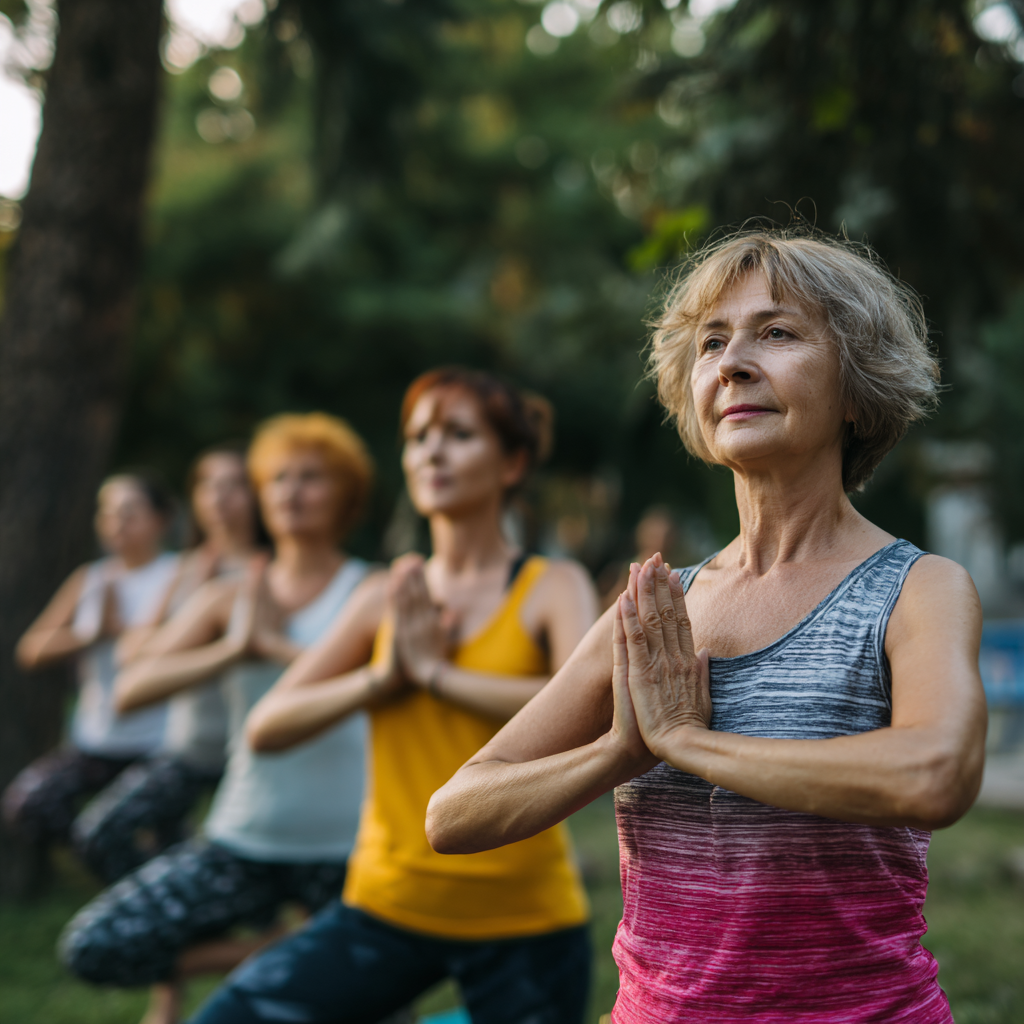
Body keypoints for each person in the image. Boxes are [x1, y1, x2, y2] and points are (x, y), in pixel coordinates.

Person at [427, 231, 989, 1023]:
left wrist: (689, 745)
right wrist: (619, 750)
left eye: (779, 332)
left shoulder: (917, 589)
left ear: (859, 385)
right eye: (712, 342)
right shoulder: (661, 610)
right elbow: (454, 814)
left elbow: (936, 774)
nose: (731, 362)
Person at [189, 368, 600, 1024]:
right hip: (387, 900)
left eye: (458, 434)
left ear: (513, 462)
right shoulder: (384, 597)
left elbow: (584, 710)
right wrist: (380, 680)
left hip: (524, 914)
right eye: (418, 437)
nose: (431, 452)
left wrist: (438, 676)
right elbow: (268, 726)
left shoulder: (553, 585)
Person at [60, 413, 374, 1024]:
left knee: (380, 1005)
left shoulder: (374, 587)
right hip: (244, 834)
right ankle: (281, 947)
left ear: (347, 494)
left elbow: (392, 682)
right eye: (278, 477)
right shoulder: (231, 597)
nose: (290, 491)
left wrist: (275, 647)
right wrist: (233, 646)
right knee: (96, 945)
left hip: (349, 846)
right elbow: (131, 691)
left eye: (311, 477)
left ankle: (313, 950)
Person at [71, 443, 264, 884]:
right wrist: (197, 610)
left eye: (235, 485)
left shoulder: (270, 570)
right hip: (187, 744)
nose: (220, 497)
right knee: (102, 832)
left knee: (234, 868)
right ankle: (171, 923)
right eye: (208, 485)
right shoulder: (184, 570)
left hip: (249, 752)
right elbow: (130, 652)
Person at [3, 472, 179, 858]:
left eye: (130, 513)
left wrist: (122, 631)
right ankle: (114, 870)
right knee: (31, 803)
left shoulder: (179, 573)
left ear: (161, 519)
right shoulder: (91, 579)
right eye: (108, 513)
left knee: (167, 844)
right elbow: (31, 650)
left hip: (159, 742)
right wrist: (91, 634)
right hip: (95, 738)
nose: (117, 524)